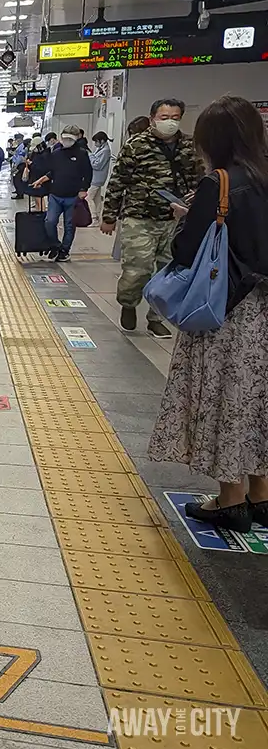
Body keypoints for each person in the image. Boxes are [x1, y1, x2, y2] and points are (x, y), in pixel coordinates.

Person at [147, 96, 268, 532]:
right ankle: (261, 493)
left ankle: (230, 498)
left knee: (225, 399)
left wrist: (188, 215)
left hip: (227, 312)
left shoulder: (217, 183)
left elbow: (185, 252)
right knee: (258, 401)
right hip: (264, 312)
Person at [101, 99, 204, 337]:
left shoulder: (189, 145)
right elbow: (118, 181)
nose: (170, 122)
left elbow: (199, 179)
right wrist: (109, 216)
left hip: (176, 219)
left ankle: (156, 317)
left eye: (175, 118)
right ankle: (129, 303)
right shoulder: (136, 145)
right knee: (137, 270)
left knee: (168, 271)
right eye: (164, 117)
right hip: (140, 216)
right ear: (152, 118)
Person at [28, 125, 92, 261]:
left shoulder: (82, 153)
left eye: (70, 138)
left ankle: (64, 250)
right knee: (49, 222)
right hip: (55, 194)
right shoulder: (56, 154)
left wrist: (83, 189)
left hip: (73, 196)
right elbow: (53, 171)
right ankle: (55, 245)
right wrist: (41, 179)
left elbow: (88, 173)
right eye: (64, 138)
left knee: (69, 225)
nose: (66, 141)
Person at [86, 131, 112, 218]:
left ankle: (93, 218)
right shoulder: (101, 149)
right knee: (97, 199)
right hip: (96, 178)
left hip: (97, 179)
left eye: (96, 141)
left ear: (102, 141)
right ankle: (97, 216)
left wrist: (90, 156)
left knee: (88, 198)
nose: (95, 144)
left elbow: (97, 165)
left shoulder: (105, 151)